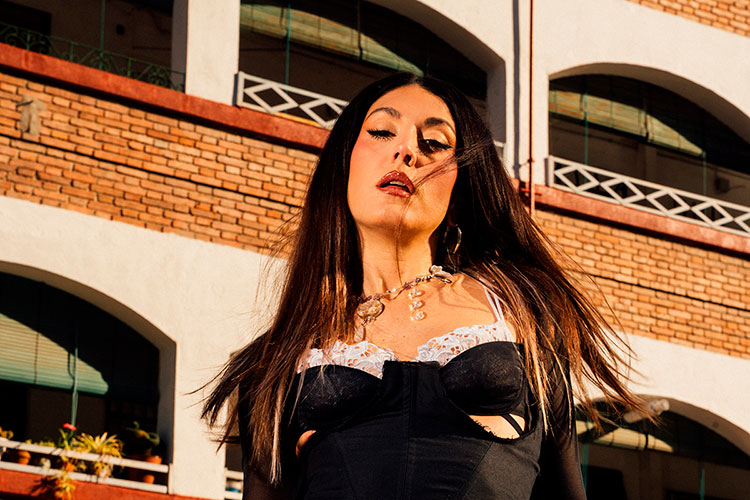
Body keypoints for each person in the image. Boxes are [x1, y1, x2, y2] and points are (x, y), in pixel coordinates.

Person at [202, 73, 645, 499]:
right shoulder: (275, 363)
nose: (406, 152)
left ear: (461, 189)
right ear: (344, 165)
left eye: (433, 143)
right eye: (381, 132)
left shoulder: (522, 316)